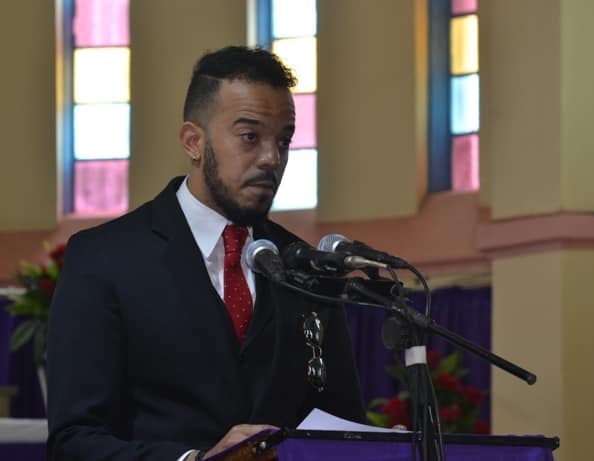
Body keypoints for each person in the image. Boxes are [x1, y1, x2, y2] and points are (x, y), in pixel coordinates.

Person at [47, 45, 365, 461]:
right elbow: (74, 440)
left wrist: (379, 447)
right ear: (193, 141)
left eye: (284, 140)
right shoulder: (105, 259)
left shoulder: (307, 268)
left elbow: (340, 425)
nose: (272, 158)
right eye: (250, 137)